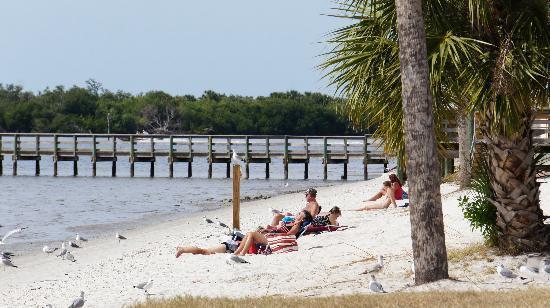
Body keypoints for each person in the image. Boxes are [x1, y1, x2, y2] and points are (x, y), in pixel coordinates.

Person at [233, 210, 313, 256]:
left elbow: (287, 236)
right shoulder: (292, 222)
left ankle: (242, 254)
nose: (297, 213)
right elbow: (281, 231)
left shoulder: (296, 226)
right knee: (248, 234)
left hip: (276, 240)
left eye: (299, 214)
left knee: (251, 234)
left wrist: (271, 233)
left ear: (302, 219)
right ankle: (236, 253)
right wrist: (269, 231)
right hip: (273, 237)